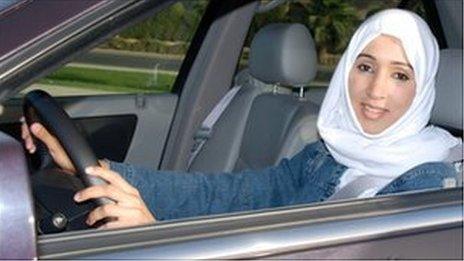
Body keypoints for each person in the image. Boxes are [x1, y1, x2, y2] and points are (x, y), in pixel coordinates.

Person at [21, 9, 462, 229]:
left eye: (401, 75)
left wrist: (160, 239)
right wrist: (95, 170)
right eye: (365, 67)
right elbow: (226, 194)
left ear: (423, 89)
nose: (376, 91)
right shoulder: (328, 155)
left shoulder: (426, 187)